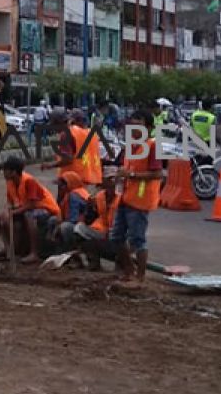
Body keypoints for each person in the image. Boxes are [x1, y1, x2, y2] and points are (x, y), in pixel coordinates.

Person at [110, 108, 163, 285]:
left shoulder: (152, 146)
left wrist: (130, 175)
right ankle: (129, 270)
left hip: (140, 201)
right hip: (125, 197)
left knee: (137, 239)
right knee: (116, 237)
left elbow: (157, 174)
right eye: (132, 123)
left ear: (148, 127)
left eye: (138, 123)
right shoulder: (131, 146)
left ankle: (140, 277)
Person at [0, 155, 61, 264]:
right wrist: (7, 212)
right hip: (27, 207)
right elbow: (11, 202)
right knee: (0, 217)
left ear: (13, 172)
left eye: (6, 170)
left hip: (45, 208)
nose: (3, 173)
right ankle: (10, 248)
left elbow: (32, 204)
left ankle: (34, 253)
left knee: (29, 215)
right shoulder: (10, 183)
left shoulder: (29, 181)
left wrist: (13, 212)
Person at [43, 107, 102, 187]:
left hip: (70, 181)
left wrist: (50, 165)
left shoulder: (66, 134)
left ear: (59, 122)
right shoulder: (88, 133)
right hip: (84, 179)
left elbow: (68, 159)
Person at [80, 169, 122, 270]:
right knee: (79, 230)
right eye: (109, 179)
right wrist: (89, 207)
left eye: (114, 179)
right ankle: (94, 262)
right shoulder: (99, 196)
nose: (112, 182)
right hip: (102, 230)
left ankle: (122, 265)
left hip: (118, 233)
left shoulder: (122, 198)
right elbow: (91, 218)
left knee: (121, 239)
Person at [54, 172, 91, 250]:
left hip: (83, 225)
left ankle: (70, 250)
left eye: (62, 186)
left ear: (69, 184)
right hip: (80, 223)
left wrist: (59, 225)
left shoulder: (74, 195)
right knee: (54, 220)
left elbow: (73, 219)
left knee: (64, 227)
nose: (60, 188)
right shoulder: (72, 193)